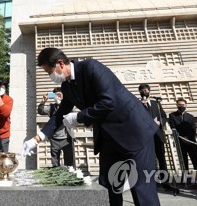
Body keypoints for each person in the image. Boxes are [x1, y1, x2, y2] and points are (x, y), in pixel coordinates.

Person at [22, 48, 161, 206]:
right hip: (108, 138)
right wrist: (37, 139)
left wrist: (79, 117)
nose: (50, 76)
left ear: (60, 63)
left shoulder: (91, 67)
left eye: (49, 71)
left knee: (141, 188)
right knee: (109, 187)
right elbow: (59, 115)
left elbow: (109, 102)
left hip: (133, 131)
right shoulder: (67, 87)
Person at [139, 84, 174, 192]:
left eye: (145, 89)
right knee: (149, 160)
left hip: (158, 135)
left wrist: (160, 122)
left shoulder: (156, 103)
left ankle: (166, 182)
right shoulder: (138, 104)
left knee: (162, 159)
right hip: (146, 136)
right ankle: (153, 182)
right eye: (141, 90)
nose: (144, 91)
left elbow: (163, 116)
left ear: (149, 90)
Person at [168, 98, 197, 186]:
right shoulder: (172, 116)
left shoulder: (190, 116)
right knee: (183, 162)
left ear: (186, 105)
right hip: (180, 142)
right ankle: (186, 181)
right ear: (177, 105)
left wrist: (188, 138)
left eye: (183, 105)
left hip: (191, 141)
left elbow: (193, 128)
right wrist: (182, 138)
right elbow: (173, 127)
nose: (181, 106)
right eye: (179, 105)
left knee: (196, 161)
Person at [37, 88, 74, 167]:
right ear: (53, 96)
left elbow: (70, 110)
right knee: (55, 163)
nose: (58, 96)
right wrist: (43, 101)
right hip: (54, 139)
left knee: (69, 163)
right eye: (56, 95)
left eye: (60, 94)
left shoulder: (68, 106)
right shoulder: (51, 107)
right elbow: (41, 111)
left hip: (66, 138)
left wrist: (61, 103)